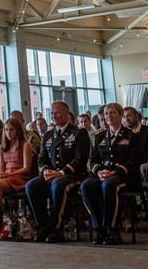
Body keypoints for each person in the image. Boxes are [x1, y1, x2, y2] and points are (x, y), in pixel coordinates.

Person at [25, 100, 90, 243]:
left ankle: (56, 229)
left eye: (58, 113)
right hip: (52, 175)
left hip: (73, 175)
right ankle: (43, 227)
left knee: (58, 185)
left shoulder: (79, 132)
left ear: (67, 114)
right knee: (32, 185)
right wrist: (46, 171)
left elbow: (80, 159)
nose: (54, 116)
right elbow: (42, 160)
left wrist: (60, 173)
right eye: (52, 113)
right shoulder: (48, 135)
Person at [80, 103, 139, 245]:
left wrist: (114, 172)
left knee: (109, 186)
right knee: (86, 185)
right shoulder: (100, 136)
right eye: (106, 114)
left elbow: (134, 161)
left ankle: (113, 230)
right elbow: (94, 160)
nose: (109, 116)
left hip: (124, 176)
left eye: (112, 113)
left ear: (120, 115)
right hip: (104, 175)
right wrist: (99, 171)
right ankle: (99, 228)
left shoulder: (131, 135)